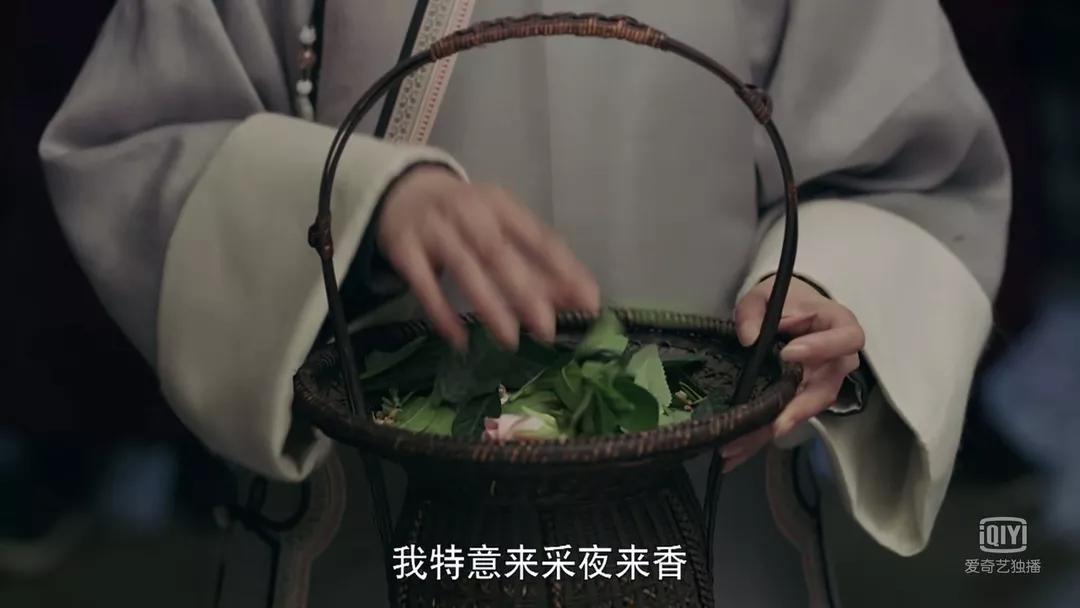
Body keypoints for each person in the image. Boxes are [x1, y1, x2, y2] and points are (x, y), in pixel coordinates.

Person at [39, 0, 1010, 604]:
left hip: (713, 526)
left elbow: (910, 173)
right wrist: (362, 202)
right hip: (367, 535)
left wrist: (824, 286)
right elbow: (140, 146)